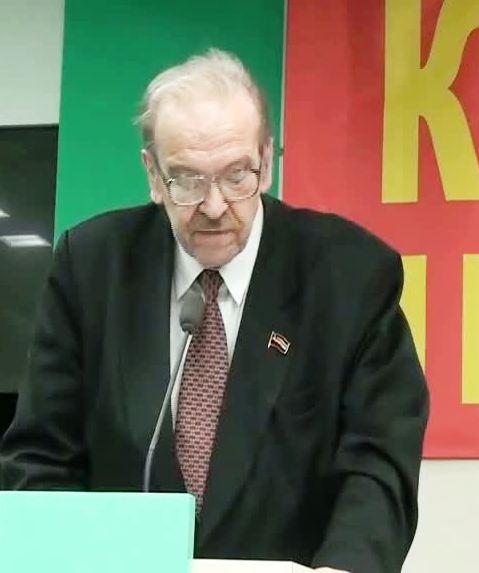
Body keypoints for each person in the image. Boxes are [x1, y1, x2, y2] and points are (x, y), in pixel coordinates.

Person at [0, 49, 428, 572]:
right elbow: (41, 456)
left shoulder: (350, 275)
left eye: (236, 175)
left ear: (267, 162)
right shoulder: (92, 266)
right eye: (187, 180)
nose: (214, 206)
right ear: (153, 174)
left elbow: (378, 465)